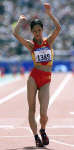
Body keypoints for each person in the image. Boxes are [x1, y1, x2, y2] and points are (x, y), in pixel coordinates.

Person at [13, 3, 61, 147]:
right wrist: (20, 22)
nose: (37, 33)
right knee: (32, 108)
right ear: (32, 32)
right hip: (34, 78)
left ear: (42, 30)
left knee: (44, 113)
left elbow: (58, 28)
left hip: (46, 80)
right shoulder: (31, 45)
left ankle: (43, 130)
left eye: (39, 30)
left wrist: (49, 14)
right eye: (34, 31)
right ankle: (35, 136)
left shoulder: (49, 41)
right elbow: (15, 34)